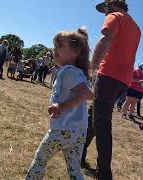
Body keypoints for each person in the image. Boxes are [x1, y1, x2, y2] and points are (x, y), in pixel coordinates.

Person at [26, 28, 93, 179]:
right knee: (74, 169)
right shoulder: (78, 73)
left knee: (40, 159)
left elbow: (85, 94)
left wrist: (61, 106)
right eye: (54, 46)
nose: (54, 49)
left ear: (75, 51)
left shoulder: (68, 71)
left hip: (64, 129)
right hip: (80, 131)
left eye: (59, 46)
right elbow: (89, 94)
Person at [90, 0, 141, 179]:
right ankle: (78, 154)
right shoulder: (136, 26)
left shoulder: (115, 16)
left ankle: (104, 173)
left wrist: (91, 67)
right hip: (123, 81)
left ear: (111, 5)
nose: (104, 13)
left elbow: (105, 40)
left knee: (102, 124)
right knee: (94, 116)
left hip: (109, 76)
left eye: (104, 9)